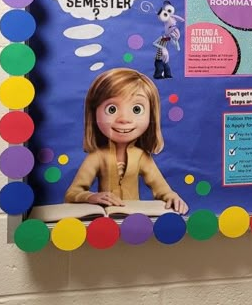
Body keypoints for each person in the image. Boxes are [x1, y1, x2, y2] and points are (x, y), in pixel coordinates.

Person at [64, 67, 188, 214]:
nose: (124, 119)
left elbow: (162, 190)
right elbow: (72, 193)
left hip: (134, 220)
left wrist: (172, 196)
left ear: (151, 114)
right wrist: (91, 196)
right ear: (94, 112)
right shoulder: (97, 156)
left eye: (137, 109)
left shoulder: (141, 157)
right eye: (111, 109)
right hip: (104, 222)